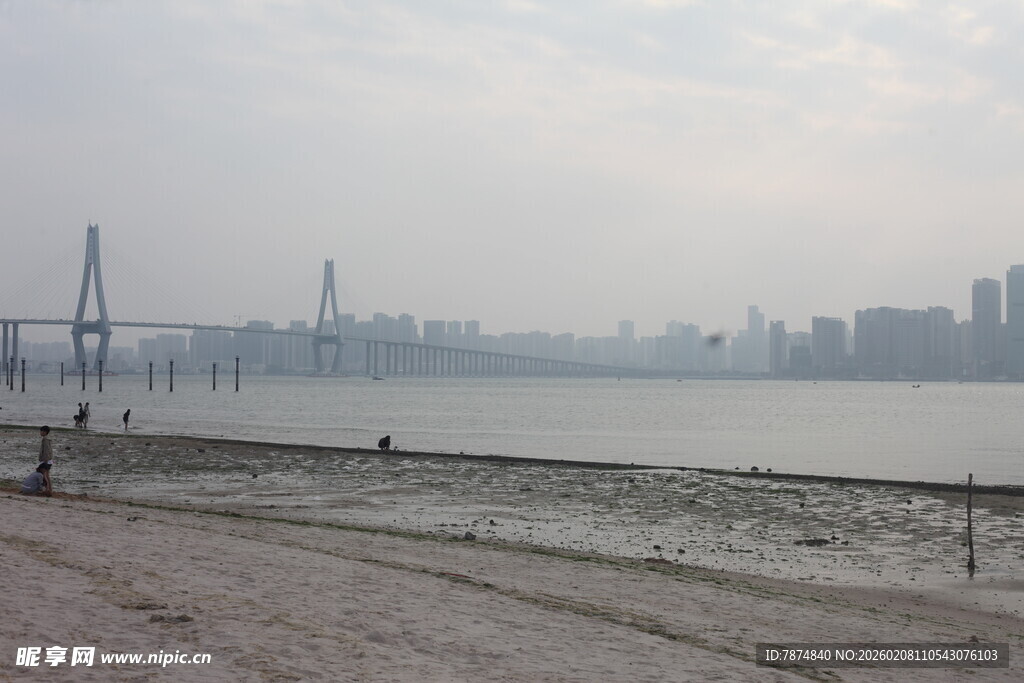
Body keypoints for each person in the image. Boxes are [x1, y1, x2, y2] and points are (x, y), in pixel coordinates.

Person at [39, 426, 53, 492]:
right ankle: (50, 489)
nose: (40, 432)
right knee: (47, 475)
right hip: (48, 460)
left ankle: (48, 489)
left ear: (45, 432)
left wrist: (45, 460)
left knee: (45, 476)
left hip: (46, 460)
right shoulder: (46, 439)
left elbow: (47, 450)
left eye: (41, 431)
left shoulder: (45, 440)